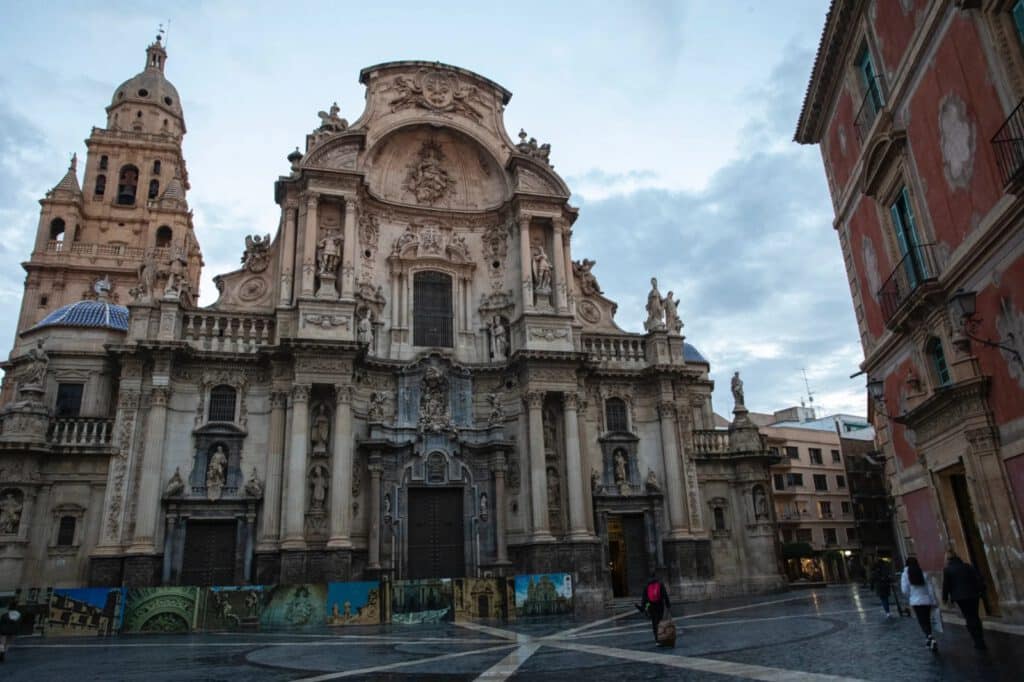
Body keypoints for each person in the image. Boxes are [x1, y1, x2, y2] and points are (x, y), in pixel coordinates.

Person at [942, 549, 987, 651]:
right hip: (973, 595)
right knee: (975, 616)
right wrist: (981, 590)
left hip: (960, 598)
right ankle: (980, 639)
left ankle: (976, 640)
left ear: (947, 559)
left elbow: (946, 585)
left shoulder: (948, 570)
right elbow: (978, 578)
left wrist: (944, 598)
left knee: (968, 617)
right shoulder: (967, 566)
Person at [901, 556, 939, 652]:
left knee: (921, 620)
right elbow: (930, 588)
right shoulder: (923, 572)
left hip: (916, 600)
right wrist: (933, 600)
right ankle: (929, 636)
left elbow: (904, 590)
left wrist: (910, 596)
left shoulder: (905, 574)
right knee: (927, 619)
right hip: (926, 599)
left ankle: (929, 636)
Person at [639, 572, 671, 646]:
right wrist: (668, 605)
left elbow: (644, 598)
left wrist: (644, 607)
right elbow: (665, 595)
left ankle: (657, 640)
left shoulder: (647, 586)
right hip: (660, 605)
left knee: (654, 623)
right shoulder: (660, 584)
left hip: (651, 606)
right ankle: (662, 638)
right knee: (660, 622)